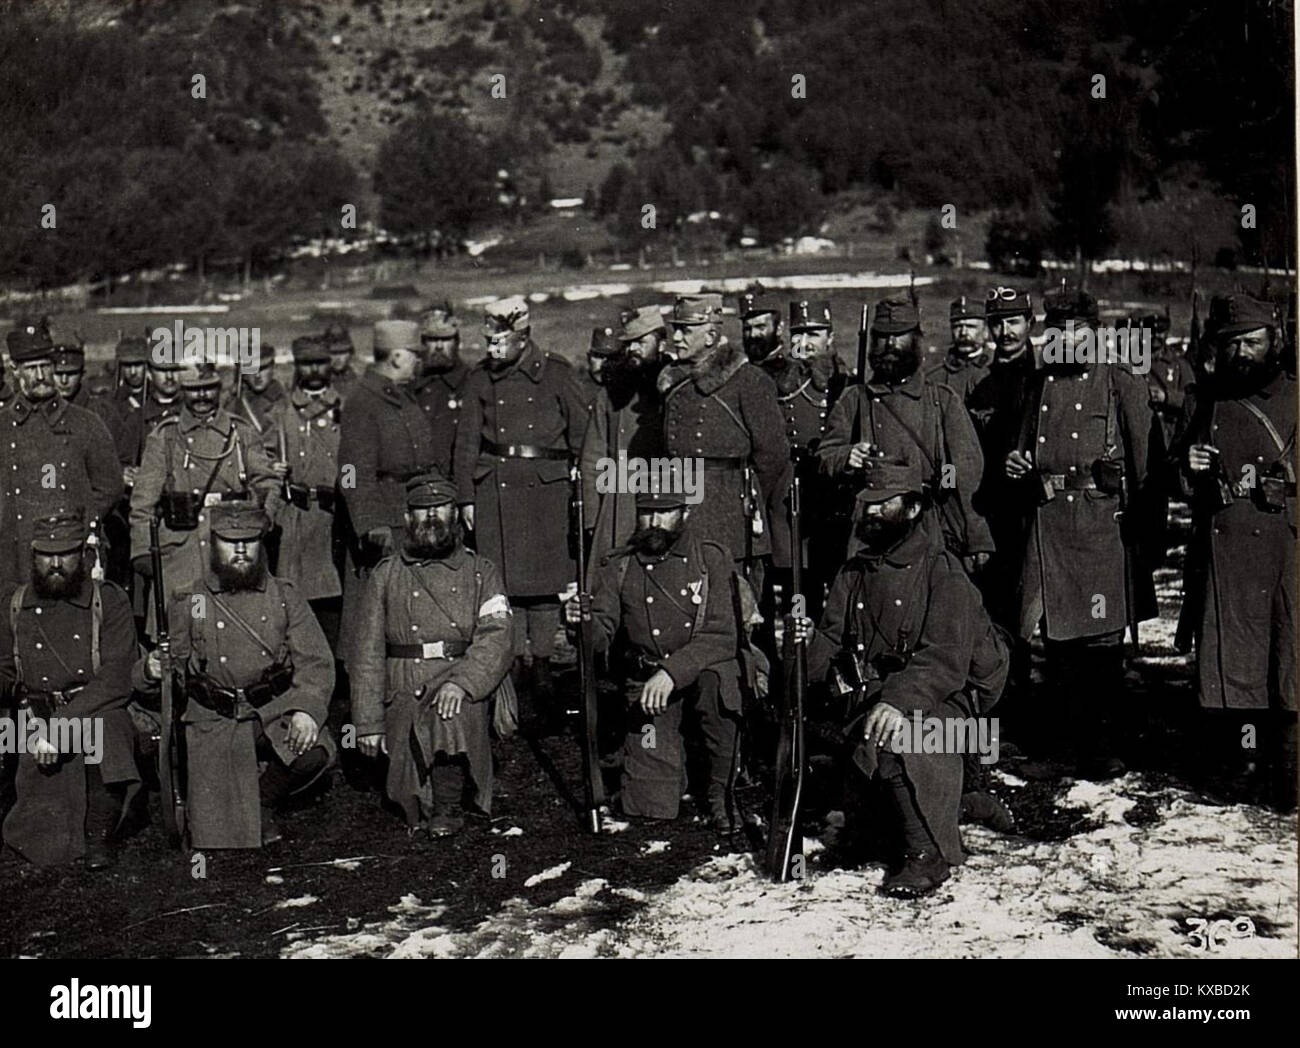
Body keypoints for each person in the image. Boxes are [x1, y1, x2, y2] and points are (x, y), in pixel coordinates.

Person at [791, 459, 1009, 897]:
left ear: (912, 510)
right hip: (882, 702)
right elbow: (830, 646)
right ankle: (958, 805)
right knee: (867, 817)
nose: (871, 512)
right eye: (867, 503)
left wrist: (897, 702)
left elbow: (945, 659)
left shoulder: (942, 572)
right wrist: (802, 642)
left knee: (892, 742)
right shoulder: (855, 572)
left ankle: (927, 857)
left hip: (946, 705)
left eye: (884, 504)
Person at [1001, 285, 1154, 778]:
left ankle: (1103, 747)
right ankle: (1062, 744)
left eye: (1078, 331)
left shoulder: (1119, 381)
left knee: (1101, 645)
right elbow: (1021, 445)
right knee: (1056, 641)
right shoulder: (1037, 382)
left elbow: (1146, 463)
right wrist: (1016, 463)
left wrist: (1146, 533)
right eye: (1058, 330)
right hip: (1047, 522)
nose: (1067, 340)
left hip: (1100, 527)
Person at [135, 503, 335, 848]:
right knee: (213, 830)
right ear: (213, 543)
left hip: (271, 711)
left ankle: (263, 799)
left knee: (313, 751)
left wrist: (306, 709)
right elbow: (175, 669)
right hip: (215, 718)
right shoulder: (193, 600)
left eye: (249, 541)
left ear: (261, 543)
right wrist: (153, 669)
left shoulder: (284, 596)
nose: (240, 550)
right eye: (229, 541)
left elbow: (316, 661)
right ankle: (243, 802)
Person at [1172, 293, 1296, 810]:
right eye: (1233, 343)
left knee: (1288, 657)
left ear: (1275, 341)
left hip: (1287, 550)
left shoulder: (1296, 398)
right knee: (1233, 659)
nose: (1243, 352)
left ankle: (1287, 767)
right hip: (1223, 543)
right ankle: (1239, 764)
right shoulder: (1203, 400)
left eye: (1252, 341)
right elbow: (1176, 478)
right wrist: (1190, 464)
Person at [566, 485, 743, 834]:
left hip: (699, 670)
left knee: (717, 688)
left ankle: (722, 791)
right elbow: (602, 630)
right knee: (652, 805)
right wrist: (580, 622)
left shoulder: (710, 559)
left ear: (685, 514)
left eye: (665, 512)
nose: (655, 522)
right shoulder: (621, 566)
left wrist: (672, 673)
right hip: (648, 684)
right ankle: (672, 769)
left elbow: (723, 635)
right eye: (647, 512)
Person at [350, 473, 513, 837]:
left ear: (455, 514)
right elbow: (367, 654)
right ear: (407, 518)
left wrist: (464, 683)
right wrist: (368, 723)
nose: (432, 517)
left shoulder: (480, 571)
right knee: (406, 797)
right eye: (422, 511)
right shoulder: (386, 575)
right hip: (404, 683)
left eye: (440, 508)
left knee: (450, 710)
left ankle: (448, 806)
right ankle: (428, 798)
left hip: (460, 676)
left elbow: (498, 636)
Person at [452, 297, 587, 714]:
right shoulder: (479, 380)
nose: (492, 349)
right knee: (502, 587)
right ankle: (505, 672)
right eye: (488, 341)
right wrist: (465, 496)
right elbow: (467, 442)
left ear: (524, 337)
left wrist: (584, 492)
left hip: (546, 491)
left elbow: (583, 437)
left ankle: (543, 665)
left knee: (545, 589)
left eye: (500, 341)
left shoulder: (558, 374)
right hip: (496, 490)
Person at [0, 511, 138, 868]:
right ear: (33, 557)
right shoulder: (15, 605)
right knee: (40, 836)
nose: (56, 564)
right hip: (35, 717)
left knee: (109, 729)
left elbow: (117, 677)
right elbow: (6, 670)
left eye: (65, 553)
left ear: (83, 554)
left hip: (93, 708)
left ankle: (99, 836)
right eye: (47, 554)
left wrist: (60, 727)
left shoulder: (109, 600)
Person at [818, 298, 992, 572]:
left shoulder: (940, 399)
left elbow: (967, 472)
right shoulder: (855, 398)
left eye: (899, 337)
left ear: (915, 340)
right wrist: (846, 456)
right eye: (883, 337)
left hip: (930, 525)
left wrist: (977, 537)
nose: (890, 346)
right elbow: (825, 455)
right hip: (871, 526)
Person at [128, 361, 278, 636]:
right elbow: (142, 504)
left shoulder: (240, 433)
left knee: (233, 632)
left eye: (209, 389)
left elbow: (267, 483)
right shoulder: (166, 437)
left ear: (220, 390)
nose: (201, 397)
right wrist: (144, 553)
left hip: (231, 547)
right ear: (183, 391)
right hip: (181, 552)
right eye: (194, 390)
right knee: (183, 631)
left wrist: (260, 523)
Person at [660, 294, 790, 594]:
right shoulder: (675, 384)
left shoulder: (749, 381)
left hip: (732, 519)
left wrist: (741, 494)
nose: (675, 338)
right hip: (684, 512)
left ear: (710, 335)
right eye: (674, 329)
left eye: (685, 330)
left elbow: (773, 453)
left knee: (736, 604)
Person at [336, 320, 443, 664]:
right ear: (396, 356)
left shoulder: (400, 397)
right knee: (375, 617)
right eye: (414, 355)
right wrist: (370, 524)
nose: (419, 362)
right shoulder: (363, 402)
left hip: (410, 518)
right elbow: (350, 472)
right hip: (384, 523)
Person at [1, 320, 122, 593]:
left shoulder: (86, 423)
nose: (42, 375)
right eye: (32, 369)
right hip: (13, 557)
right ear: (14, 371)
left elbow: (110, 487)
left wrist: (75, 519)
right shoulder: (3, 426)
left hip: (69, 553)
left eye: (46, 366)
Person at [265, 336, 344, 639]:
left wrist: (346, 486)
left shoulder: (345, 407)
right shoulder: (281, 412)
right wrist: (272, 467)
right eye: (306, 363)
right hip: (295, 518)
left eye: (319, 362)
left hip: (333, 517)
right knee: (296, 604)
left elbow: (354, 460)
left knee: (333, 607)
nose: (313, 370)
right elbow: (266, 458)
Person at [581, 307, 670, 569]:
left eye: (642, 342)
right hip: (619, 505)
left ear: (661, 344)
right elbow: (591, 461)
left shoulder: (678, 389)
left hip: (664, 505)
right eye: (629, 343)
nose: (634, 350)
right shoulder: (610, 395)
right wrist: (591, 519)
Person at [411, 307, 470, 479]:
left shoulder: (472, 383)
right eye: (432, 339)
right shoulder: (409, 384)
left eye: (445, 339)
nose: (438, 346)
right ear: (423, 343)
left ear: (457, 342)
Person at [926, 296, 995, 405]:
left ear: (985, 331)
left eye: (970, 326)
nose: (963, 332)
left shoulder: (997, 370)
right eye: (957, 326)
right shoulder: (933, 378)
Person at [322, 321, 359, 400]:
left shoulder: (360, 379)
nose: (338, 358)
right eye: (334, 353)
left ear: (350, 354)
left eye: (342, 352)